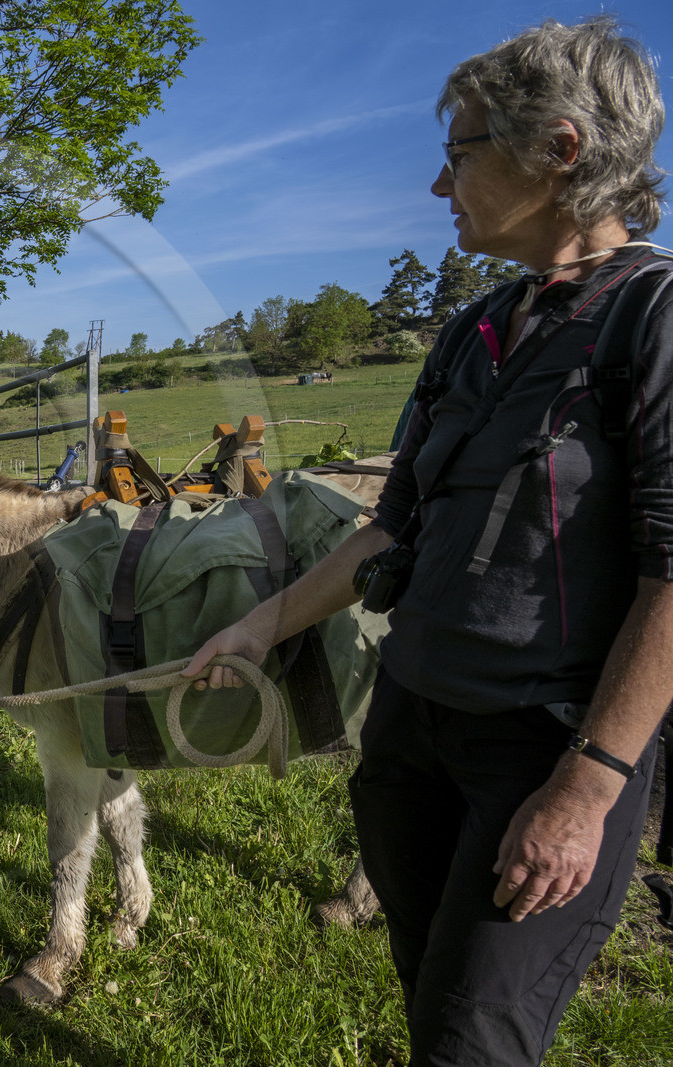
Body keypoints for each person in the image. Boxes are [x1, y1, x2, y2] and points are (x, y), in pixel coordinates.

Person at [184, 17, 671, 1066]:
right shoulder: (473, 327)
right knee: (430, 999)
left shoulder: (655, 317)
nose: (439, 186)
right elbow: (389, 525)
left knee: (470, 1038)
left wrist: (585, 789)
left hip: (540, 747)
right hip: (409, 730)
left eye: (458, 152)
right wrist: (256, 627)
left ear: (559, 150)